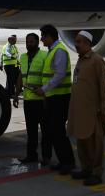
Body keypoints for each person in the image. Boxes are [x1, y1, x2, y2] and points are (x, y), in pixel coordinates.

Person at [67, 31, 105, 186]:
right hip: (80, 111)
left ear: (87, 43)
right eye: (76, 41)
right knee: (82, 142)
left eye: (78, 42)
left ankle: (97, 173)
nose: (76, 45)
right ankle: (86, 168)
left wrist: (103, 109)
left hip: (94, 112)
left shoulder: (97, 61)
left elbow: (104, 87)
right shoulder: (81, 61)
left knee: (95, 144)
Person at [35, 24, 75, 174]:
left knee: (58, 131)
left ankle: (69, 162)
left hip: (60, 98)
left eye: (43, 37)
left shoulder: (59, 51)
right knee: (53, 131)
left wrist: (44, 89)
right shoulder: (52, 51)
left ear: (50, 36)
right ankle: (63, 161)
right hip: (53, 98)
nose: (41, 40)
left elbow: (59, 75)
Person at [15, 33, 51, 165]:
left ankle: (46, 157)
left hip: (41, 99)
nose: (29, 44)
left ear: (37, 42)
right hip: (28, 100)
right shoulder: (23, 57)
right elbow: (21, 75)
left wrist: (45, 93)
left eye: (31, 42)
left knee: (45, 130)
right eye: (27, 42)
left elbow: (49, 77)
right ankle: (31, 155)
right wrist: (16, 93)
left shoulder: (45, 56)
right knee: (31, 131)